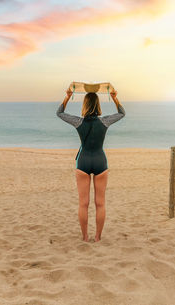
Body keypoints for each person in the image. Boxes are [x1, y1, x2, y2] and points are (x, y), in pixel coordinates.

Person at [56, 88, 125, 242]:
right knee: (100, 204)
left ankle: (85, 237)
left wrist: (67, 97)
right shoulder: (105, 121)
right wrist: (114, 98)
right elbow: (122, 113)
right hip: (100, 162)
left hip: (83, 162)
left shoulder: (78, 121)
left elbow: (59, 113)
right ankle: (98, 237)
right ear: (98, 104)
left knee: (83, 204)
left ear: (85, 104)